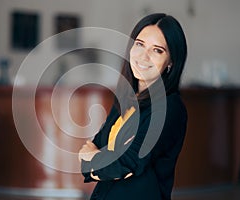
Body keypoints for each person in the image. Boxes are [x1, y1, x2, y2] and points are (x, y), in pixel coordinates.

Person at [78, 13, 188, 200]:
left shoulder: (170, 108)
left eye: (157, 50)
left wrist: (97, 159)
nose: (143, 56)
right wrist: (101, 161)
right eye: (139, 44)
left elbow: (127, 163)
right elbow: (91, 153)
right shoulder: (125, 99)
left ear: (171, 62)